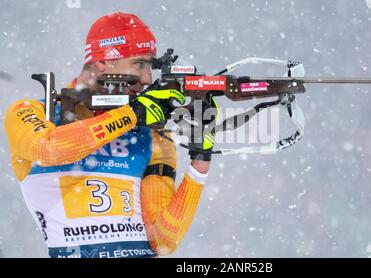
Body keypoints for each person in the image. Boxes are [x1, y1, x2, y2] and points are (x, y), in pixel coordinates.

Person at [4, 12, 217, 258]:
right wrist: (132, 114)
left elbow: (162, 241)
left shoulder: (152, 133)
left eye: (151, 66)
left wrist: (201, 158)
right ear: (103, 62)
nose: (148, 79)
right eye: (140, 64)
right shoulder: (34, 111)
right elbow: (49, 149)